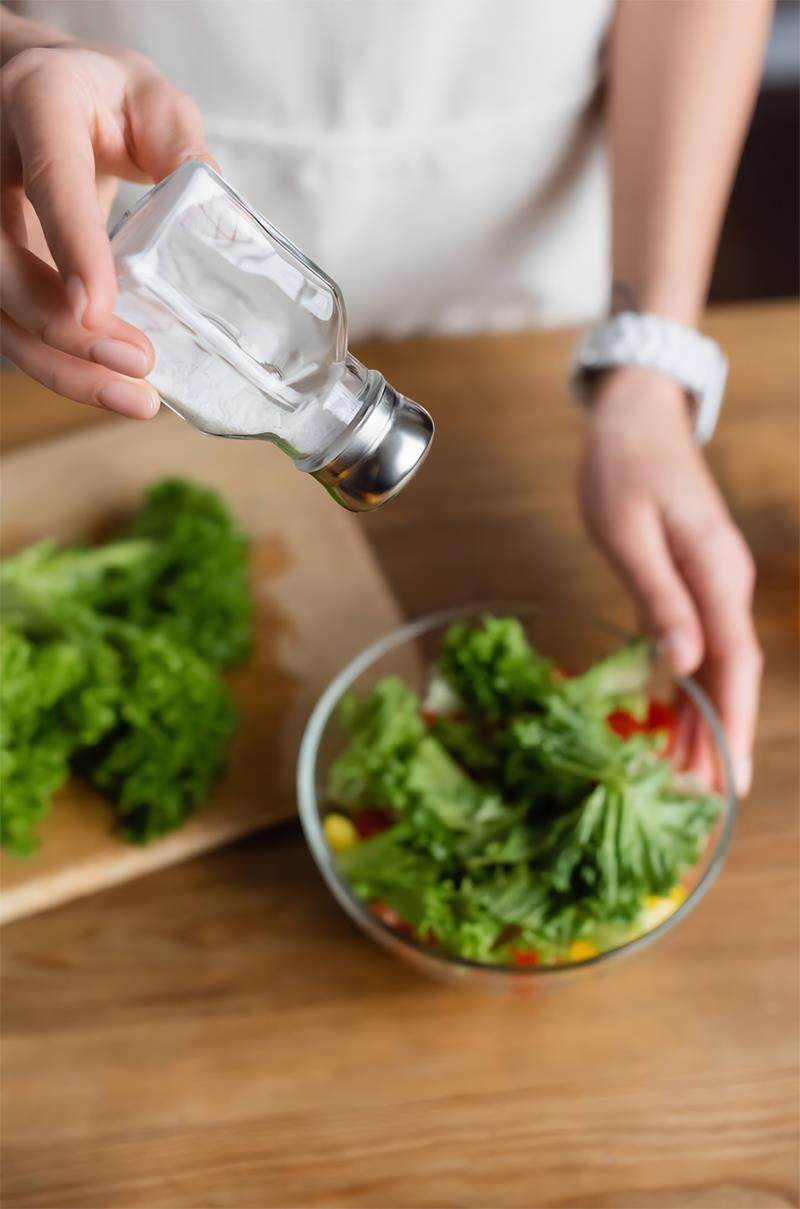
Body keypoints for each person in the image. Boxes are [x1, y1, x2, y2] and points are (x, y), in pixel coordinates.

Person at [0, 0, 770, 795]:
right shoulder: (305, 334)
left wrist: (649, 370)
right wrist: (14, 54)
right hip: (88, 149)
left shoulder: (292, 350)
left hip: (522, 239)